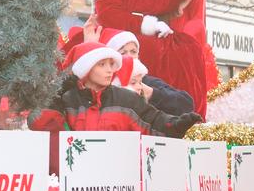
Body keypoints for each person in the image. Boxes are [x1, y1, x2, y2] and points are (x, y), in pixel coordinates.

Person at [91, 0, 231, 117]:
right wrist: (147, 25)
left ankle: (186, 115)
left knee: (188, 48)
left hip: (162, 38)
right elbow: (109, 14)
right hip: (127, 41)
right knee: (152, 49)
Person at [29, 41, 201, 138]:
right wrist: (54, 97)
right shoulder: (66, 100)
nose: (109, 70)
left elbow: (154, 122)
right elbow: (45, 130)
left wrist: (177, 125)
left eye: (111, 64)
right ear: (85, 69)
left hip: (118, 188)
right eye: (102, 64)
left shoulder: (127, 100)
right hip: (77, 188)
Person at [59, 14, 195, 116]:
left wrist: (152, 94)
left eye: (133, 51)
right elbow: (67, 88)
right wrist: (90, 48)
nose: (129, 56)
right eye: (123, 52)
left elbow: (186, 103)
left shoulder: (145, 81)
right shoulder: (100, 82)